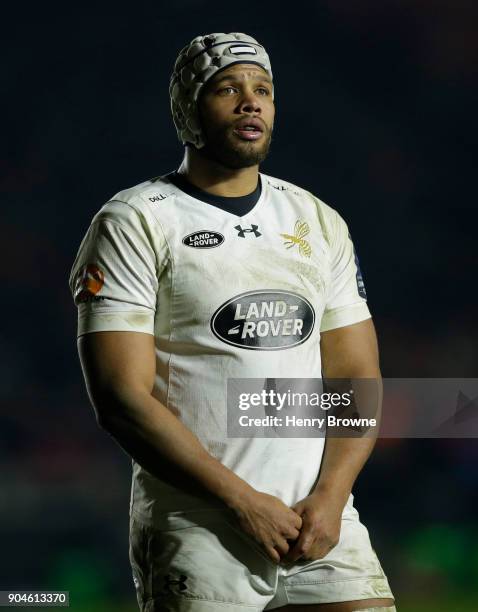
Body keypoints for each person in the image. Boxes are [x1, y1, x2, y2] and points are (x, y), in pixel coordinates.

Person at [69, 32, 396, 612]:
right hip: (200, 527)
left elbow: (356, 379)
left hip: (319, 522)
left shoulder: (316, 219)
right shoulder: (134, 221)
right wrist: (243, 501)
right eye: (227, 89)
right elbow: (121, 398)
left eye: (263, 89)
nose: (251, 102)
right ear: (188, 109)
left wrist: (331, 494)